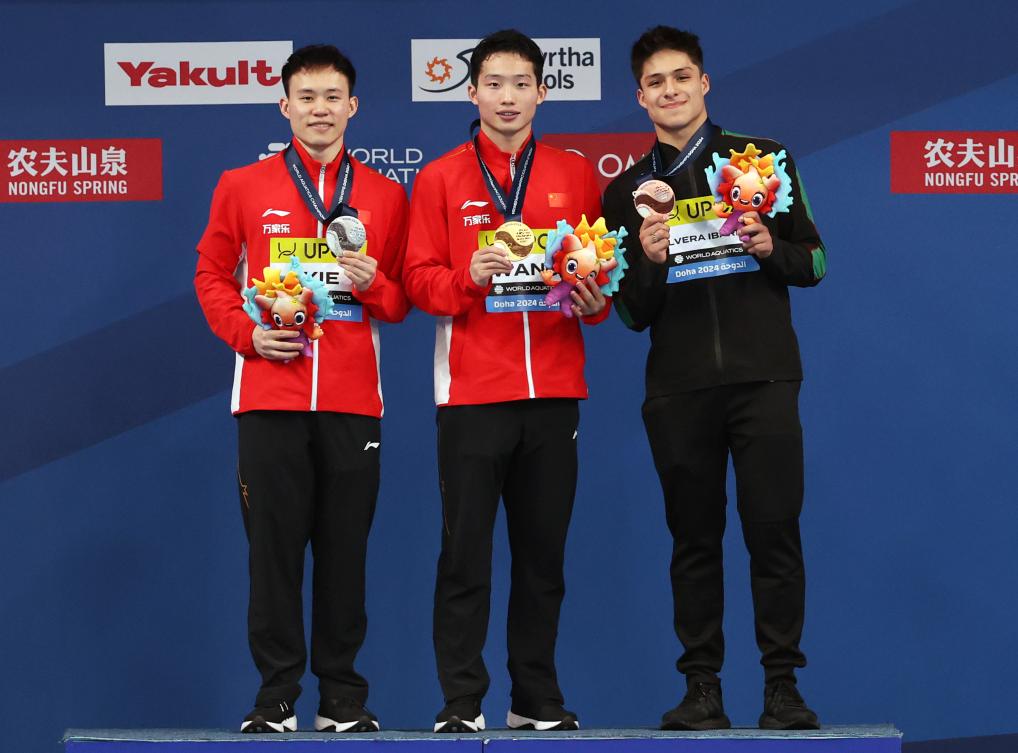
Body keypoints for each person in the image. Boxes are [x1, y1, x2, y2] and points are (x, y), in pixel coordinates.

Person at [602, 26, 826, 731]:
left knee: (774, 532)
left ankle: (782, 686)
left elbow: (815, 261)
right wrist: (649, 262)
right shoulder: (625, 192)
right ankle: (702, 687)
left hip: (764, 380)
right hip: (679, 390)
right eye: (656, 82)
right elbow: (630, 313)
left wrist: (767, 245)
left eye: (682, 77)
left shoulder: (762, 160)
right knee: (693, 542)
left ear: (704, 82)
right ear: (640, 97)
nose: (670, 90)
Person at [194, 44, 409, 734]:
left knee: (346, 554)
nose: (320, 109)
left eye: (332, 97)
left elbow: (401, 300)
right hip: (269, 398)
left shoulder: (386, 194)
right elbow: (211, 274)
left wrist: (374, 284)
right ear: (285, 106)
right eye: (307, 97)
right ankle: (276, 696)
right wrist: (247, 335)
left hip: (352, 402)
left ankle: (342, 697)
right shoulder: (242, 185)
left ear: (353, 106)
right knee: (274, 554)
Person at [404, 29, 607, 734]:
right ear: (472, 92)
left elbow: (598, 277)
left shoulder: (574, 172)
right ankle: (462, 700)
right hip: (471, 394)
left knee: (543, 557)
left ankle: (534, 697)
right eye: (494, 83)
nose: (508, 97)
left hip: (553, 391)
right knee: (466, 555)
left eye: (522, 83)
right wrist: (468, 276)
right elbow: (417, 280)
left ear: (543, 91)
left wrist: (593, 299)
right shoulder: (440, 177)